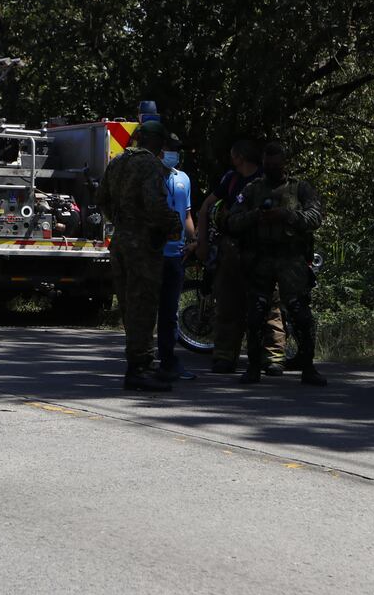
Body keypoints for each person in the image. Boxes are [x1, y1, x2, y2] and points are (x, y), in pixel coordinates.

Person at [226, 142, 324, 386]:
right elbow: (232, 222)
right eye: (268, 164)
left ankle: (308, 366)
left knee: (300, 313)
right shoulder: (252, 190)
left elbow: (315, 217)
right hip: (260, 259)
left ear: (285, 164)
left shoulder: (300, 189)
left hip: (291, 259)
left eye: (276, 164)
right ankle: (253, 367)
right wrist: (256, 216)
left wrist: (286, 215)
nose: (272, 169)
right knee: (256, 314)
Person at [96, 119, 182, 391]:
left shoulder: (118, 162)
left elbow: (102, 199)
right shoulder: (150, 165)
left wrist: (122, 221)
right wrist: (173, 224)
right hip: (143, 248)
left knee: (130, 307)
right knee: (144, 307)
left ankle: (139, 363)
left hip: (121, 243)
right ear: (157, 143)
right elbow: (155, 204)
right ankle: (139, 369)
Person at [195, 139, 287, 374]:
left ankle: (273, 358)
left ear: (241, 157)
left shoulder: (271, 183)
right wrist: (202, 242)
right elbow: (207, 207)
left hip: (264, 252)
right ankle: (225, 356)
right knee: (228, 304)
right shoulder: (231, 180)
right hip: (233, 252)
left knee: (269, 306)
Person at [156, 132, 198, 380]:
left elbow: (188, 215)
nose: (174, 153)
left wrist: (193, 242)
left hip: (176, 255)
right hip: (153, 254)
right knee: (148, 309)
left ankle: (168, 360)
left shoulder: (184, 178)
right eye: (170, 148)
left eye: (177, 149)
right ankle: (143, 359)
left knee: (170, 312)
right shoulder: (151, 177)